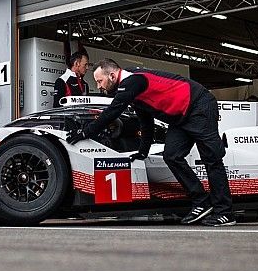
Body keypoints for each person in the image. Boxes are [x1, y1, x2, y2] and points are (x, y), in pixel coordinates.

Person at [65, 59, 235, 226]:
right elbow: (145, 120)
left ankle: (225, 213)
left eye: (99, 81)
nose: (99, 86)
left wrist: (85, 132)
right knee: (172, 155)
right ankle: (202, 202)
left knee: (212, 159)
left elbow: (112, 111)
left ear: (112, 75)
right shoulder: (133, 87)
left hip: (199, 105)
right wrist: (143, 151)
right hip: (181, 117)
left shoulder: (132, 81)